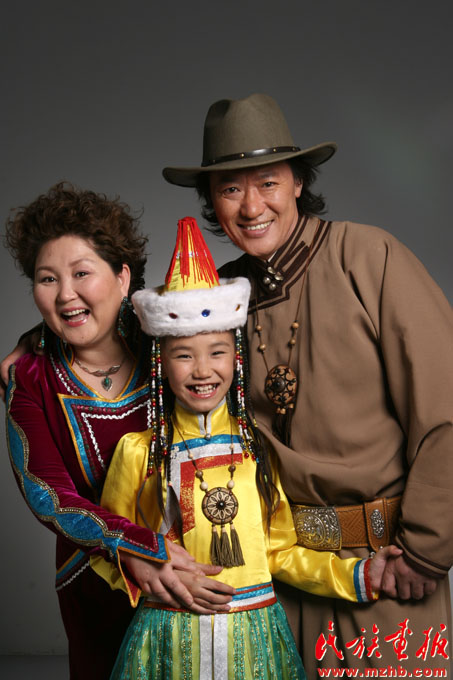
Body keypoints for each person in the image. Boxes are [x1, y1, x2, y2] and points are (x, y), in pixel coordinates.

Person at [159, 94, 453, 675]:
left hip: (386, 571)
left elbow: (444, 411)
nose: (251, 207)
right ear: (212, 202)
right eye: (230, 189)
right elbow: (126, 351)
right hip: (271, 581)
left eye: (268, 182)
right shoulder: (217, 299)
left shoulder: (368, 257)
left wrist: (426, 550)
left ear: (298, 181)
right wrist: (37, 345)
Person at [91, 215, 399, 679]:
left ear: (236, 359)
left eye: (217, 352)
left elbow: (279, 551)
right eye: (183, 355)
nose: (202, 371)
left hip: (255, 639)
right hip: (169, 635)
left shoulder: (256, 447)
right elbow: (104, 543)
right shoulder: (139, 452)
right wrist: (147, 573)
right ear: (161, 362)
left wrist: (357, 575)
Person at [3, 183, 234, 679]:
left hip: (204, 561)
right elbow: (48, 495)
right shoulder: (29, 378)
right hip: (95, 578)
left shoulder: (165, 336)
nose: (66, 294)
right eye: (47, 279)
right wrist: (137, 550)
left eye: (81, 273)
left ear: (122, 276)